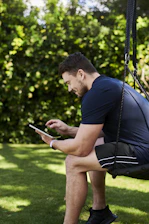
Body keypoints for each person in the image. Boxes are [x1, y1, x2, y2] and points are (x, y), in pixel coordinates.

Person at [36, 52, 149, 224]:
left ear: (81, 74)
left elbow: (80, 147)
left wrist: (52, 142)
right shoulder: (108, 85)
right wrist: (68, 130)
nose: (69, 88)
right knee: (93, 145)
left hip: (143, 152)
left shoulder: (96, 94)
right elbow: (100, 133)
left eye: (69, 82)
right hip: (138, 145)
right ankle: (100, 211)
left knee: (73, 162)